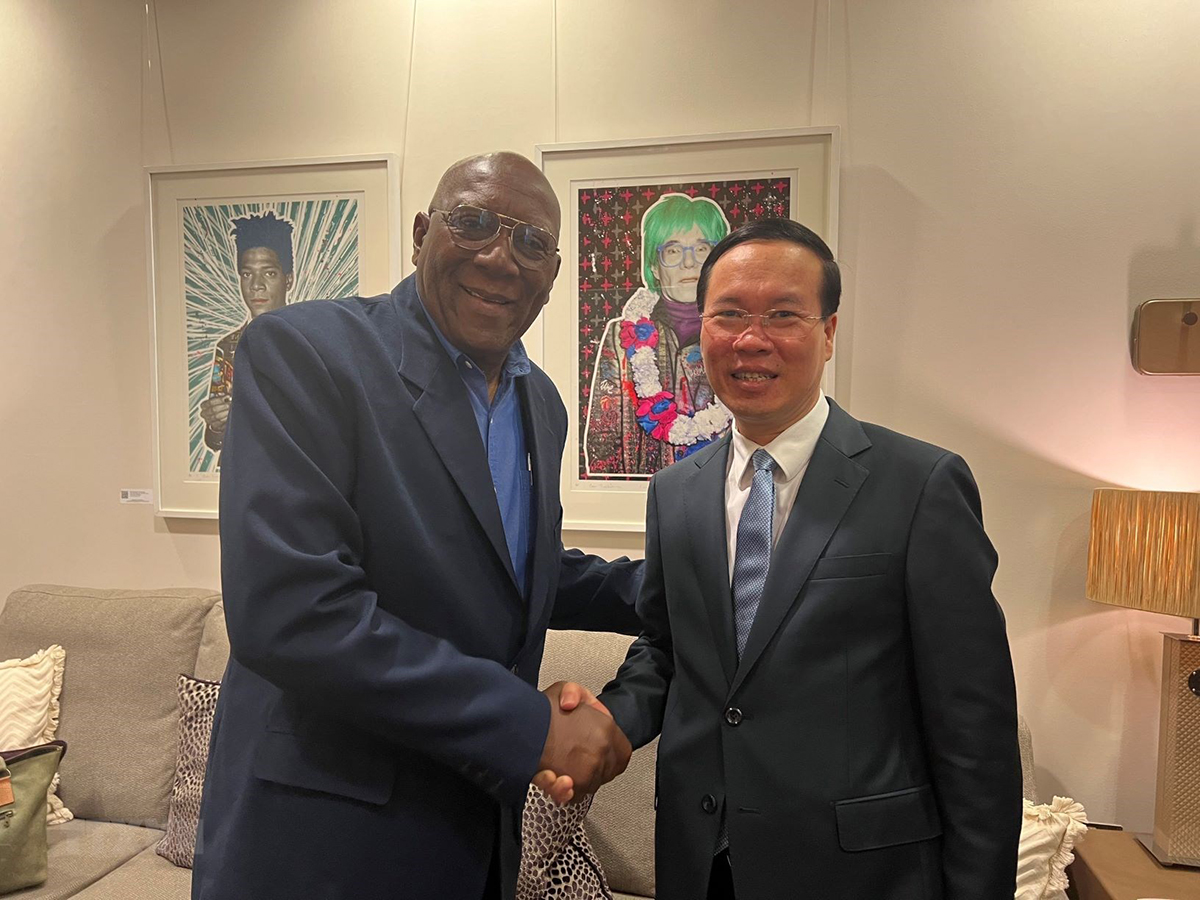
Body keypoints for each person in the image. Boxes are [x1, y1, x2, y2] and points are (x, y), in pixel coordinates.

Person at [192, 152, 641, 900]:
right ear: (421, 233)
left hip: (471, 838)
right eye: (474, 222)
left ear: (553, 274)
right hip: (322, 848)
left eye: (532, 242)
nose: (500, 257)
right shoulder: (305, 352)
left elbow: (513, 569)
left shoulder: (543, 405)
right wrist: (529, 726)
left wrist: (676, 589)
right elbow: (293, 613)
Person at [554, 218, 1022, 898]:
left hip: (862, 873)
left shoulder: (920, 485)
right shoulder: (677, 491)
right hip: (702, 863)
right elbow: (668, 646)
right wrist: (612, 721)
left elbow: (974, 727)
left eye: (782, 315)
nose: (751, 340)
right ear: (701, 327)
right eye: (729, 315)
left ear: (828, 332)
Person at [583, 193, 731, 477]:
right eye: (673, 251)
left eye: (702, 249)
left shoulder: (739, 336)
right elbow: (604, 439)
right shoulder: (622, 336)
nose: (689, 263)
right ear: (654, 267)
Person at [199, 211, 295, 453]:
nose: (256, 285)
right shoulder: (227, 347)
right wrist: (217, 423)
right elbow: (213, 442)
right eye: (247, 274)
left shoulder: (310, 343)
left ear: (288, 280)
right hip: (244, 467)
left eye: (269, 273)